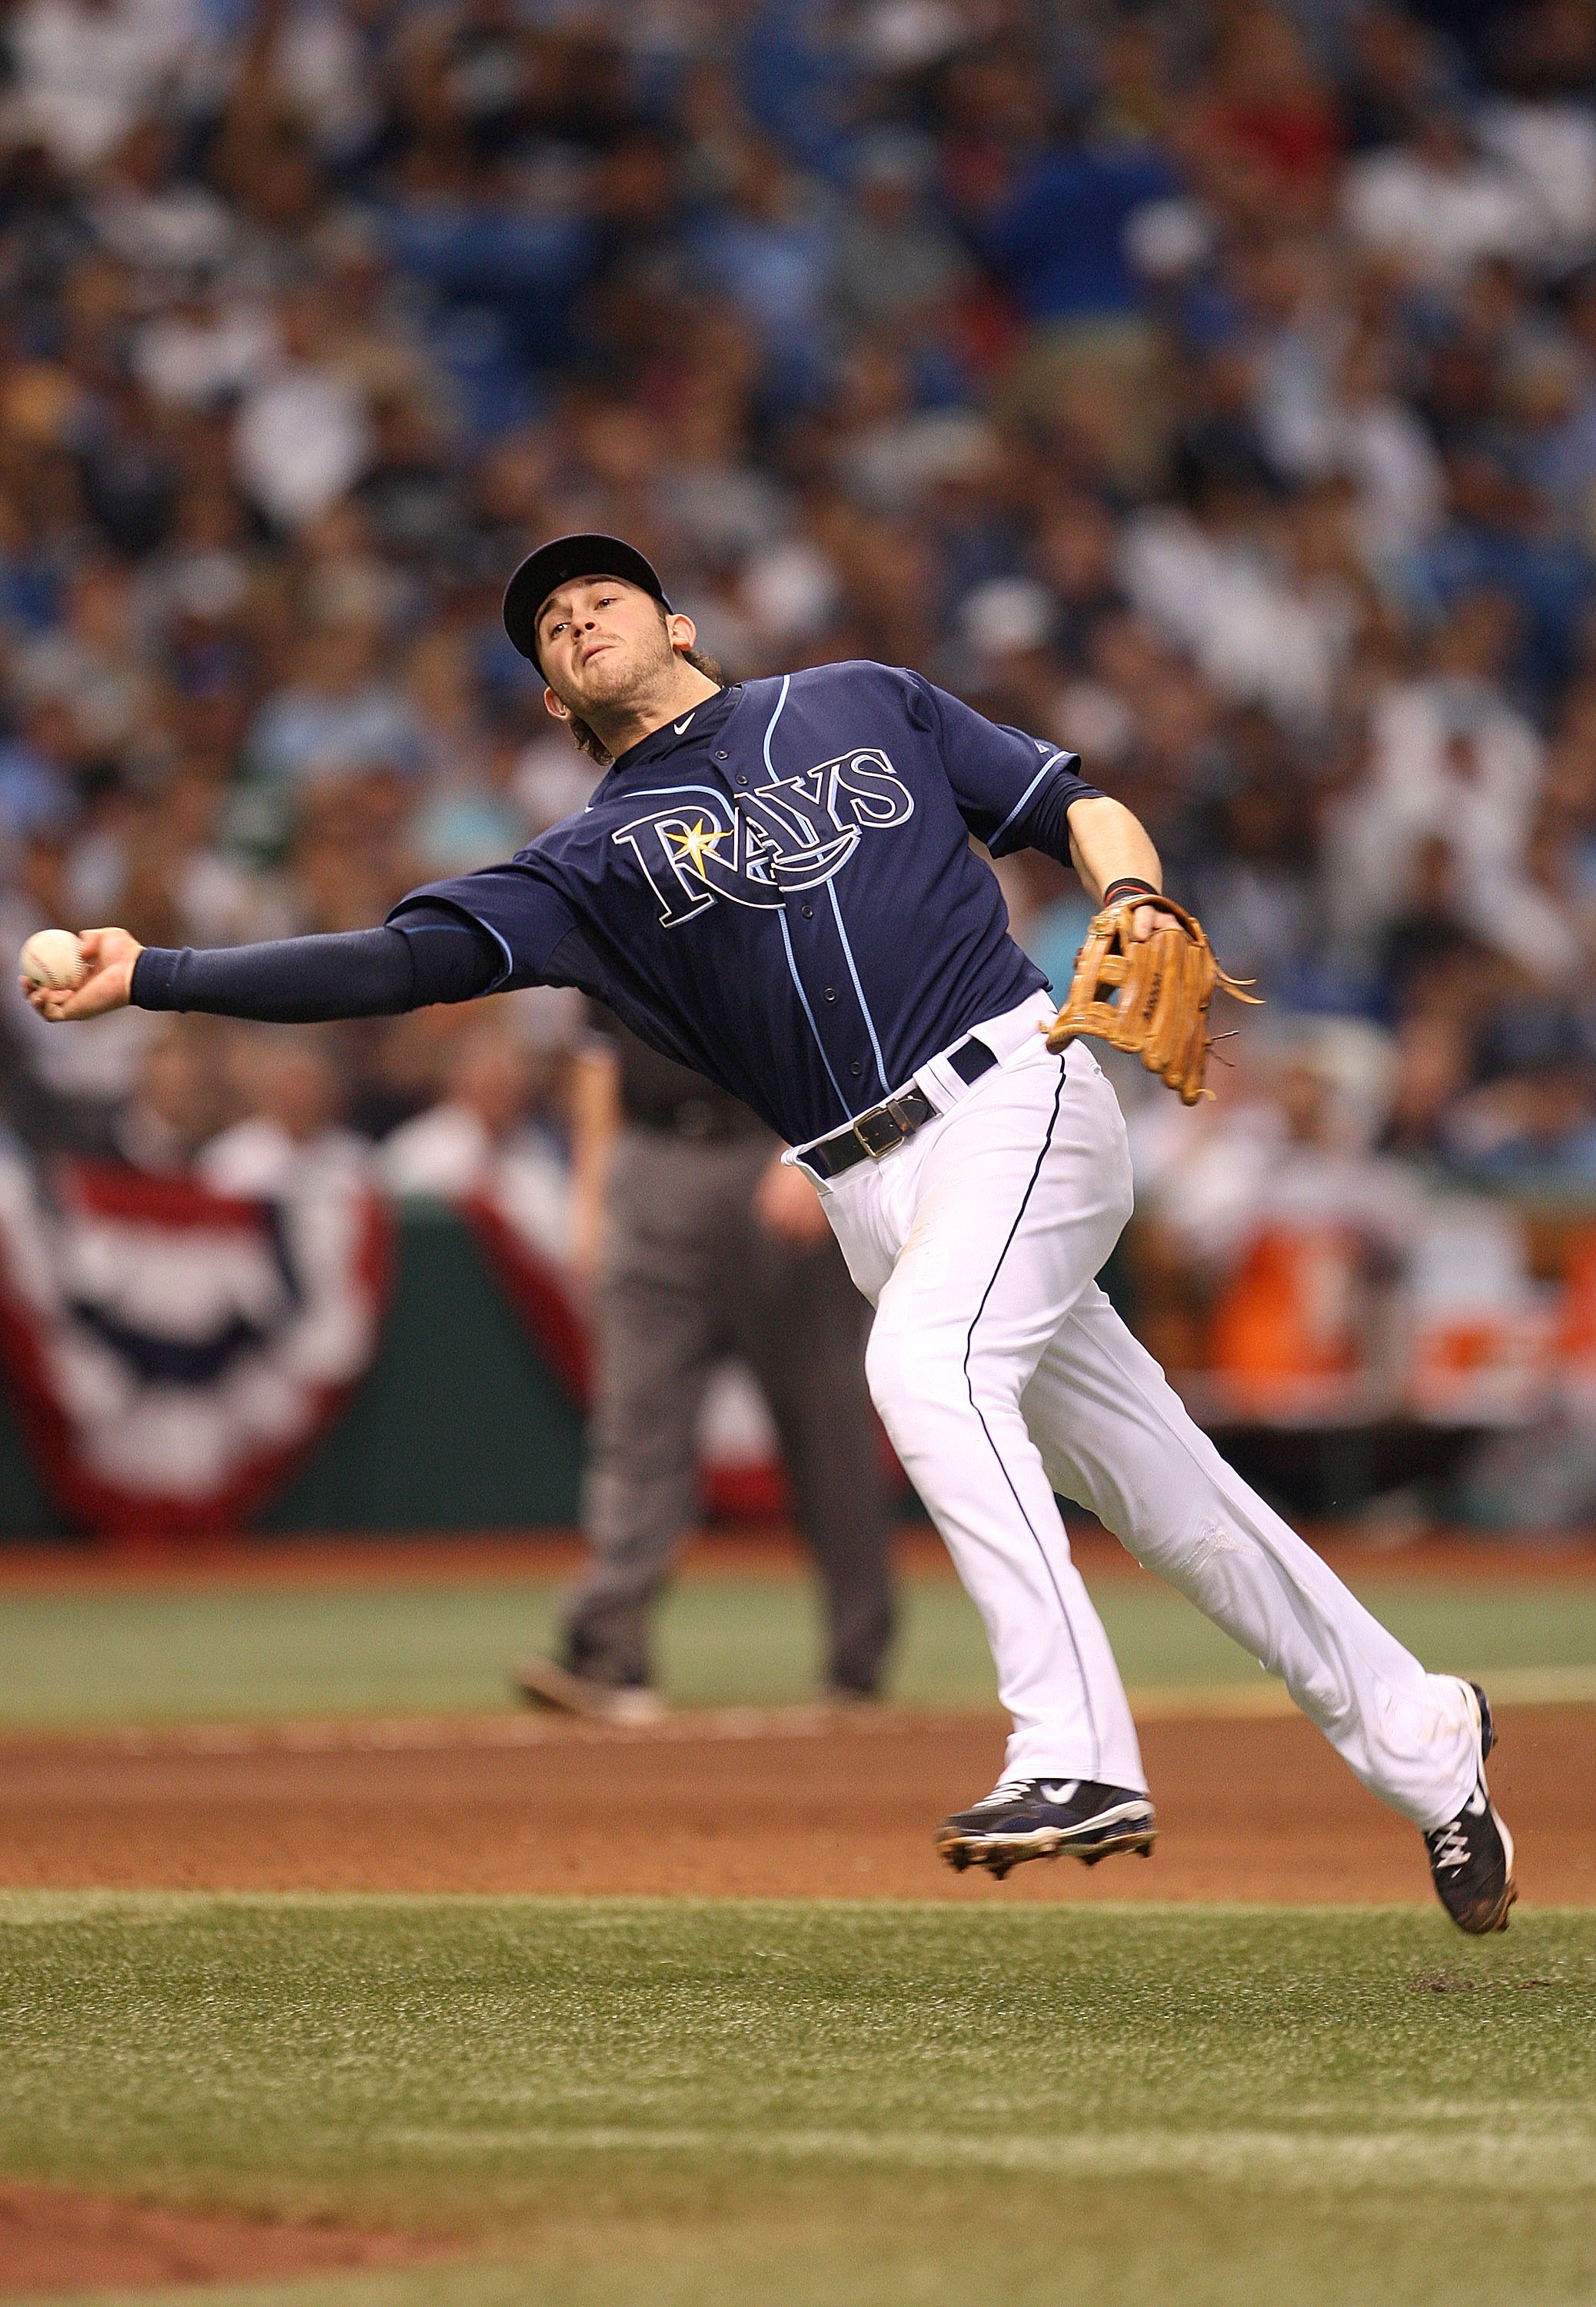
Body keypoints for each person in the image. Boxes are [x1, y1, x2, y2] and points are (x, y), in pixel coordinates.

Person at [23, 531, 1515, 1933]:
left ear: (677, 622)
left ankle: (1077, 1751)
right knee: (1170, 1498)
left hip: (1017, 1097)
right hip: (863, 1187)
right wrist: (158, 972)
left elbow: (1071, 799)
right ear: (552, 698)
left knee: (929, 1375)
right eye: (552, 623)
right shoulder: (589, 864)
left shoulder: (862, 698)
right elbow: (397, 961)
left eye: (601, 594)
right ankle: (1427, 1736)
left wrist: (1128, 886)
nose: (579, 615)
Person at [517, 1003, 893, 1723]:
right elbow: (598, 1049)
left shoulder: (792, 886)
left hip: (776, 1153)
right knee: (636, 1428)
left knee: (826, 1427)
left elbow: (848, 1009)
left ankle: (856, 1663)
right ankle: (610, 1654)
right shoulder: (623, 892)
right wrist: (592, 1190)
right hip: (651, 1161)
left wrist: (822, 1151)